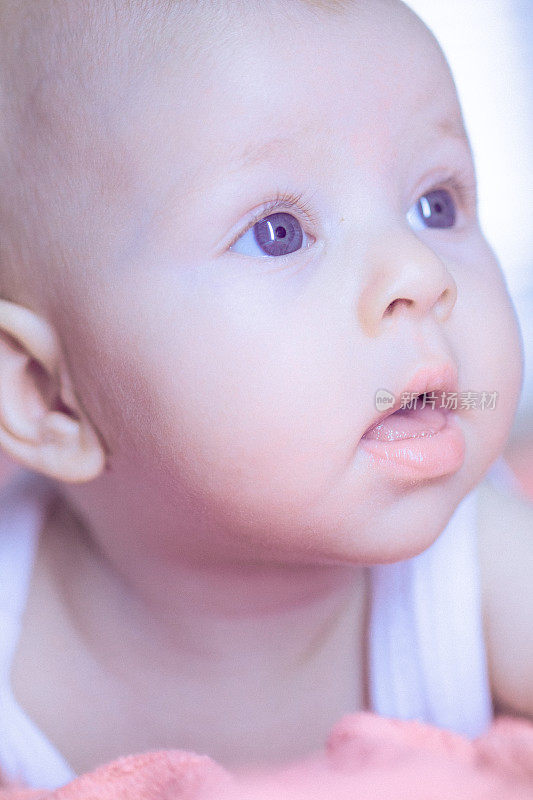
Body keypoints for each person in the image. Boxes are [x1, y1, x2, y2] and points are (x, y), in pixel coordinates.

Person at [0, 0, 530, 791]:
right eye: (277, 230)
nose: (420, 276)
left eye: (435, 205)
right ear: (49, 398)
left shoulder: (473, 565)